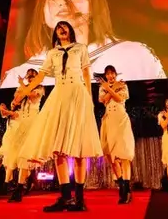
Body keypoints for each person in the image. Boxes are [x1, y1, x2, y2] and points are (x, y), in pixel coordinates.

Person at [0, 0, 165, 88]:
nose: (64, 2)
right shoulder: (18, 76)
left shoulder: (135, 56)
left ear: (93, 6)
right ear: (42, 15)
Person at [13, 21, 103, 212]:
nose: (61, 29)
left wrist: (90, 99)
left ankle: (79, 200)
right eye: (58, 27)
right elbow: (41, 76)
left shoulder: (80, 48)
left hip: (77, 94)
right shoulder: (52, 53)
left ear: (70, 30)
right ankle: (65, 197)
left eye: (65, 26)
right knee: (57, 149)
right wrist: (24, 91)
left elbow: (86, 73)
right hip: (59, 96)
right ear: (55, 33)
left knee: (79, 148)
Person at [6, 69, 45, 203]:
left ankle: (20, 187)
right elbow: (15, 102)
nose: (30, 78)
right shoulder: (23, 88)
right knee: (17, 155)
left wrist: (23, 85)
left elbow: (32, 97)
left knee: (26, 155)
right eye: (28, 76)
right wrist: (18, 93)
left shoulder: (40, 89)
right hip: (22, 122)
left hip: (33, 123)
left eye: (32, 76)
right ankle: (22, 184)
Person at [98, 65, 135, 204]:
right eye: (108, 74)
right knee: (111, 156)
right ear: (105, 75)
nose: (111, 76)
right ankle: (122, 186)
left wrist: (109, 89)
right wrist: (112, 88)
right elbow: (103, 100)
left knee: (124, 155)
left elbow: (119, 99)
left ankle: (126, 189)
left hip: (121, 120)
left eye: (112, 73)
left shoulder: (123, 85)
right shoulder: (103, 88)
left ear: (115, 74)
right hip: (109, 120)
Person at [0, 98, 22, 195]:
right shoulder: (10, 115)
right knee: (7, 163)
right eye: (12, 102)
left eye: (15, 102)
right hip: (8, 140)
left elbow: (6, 112)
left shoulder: (18, 113)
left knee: (11, 162)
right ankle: (9, 183)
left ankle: (7, 185)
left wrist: (0, 108)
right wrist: (2, 107)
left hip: (14, 141)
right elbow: (4, 114)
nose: (12, 103)